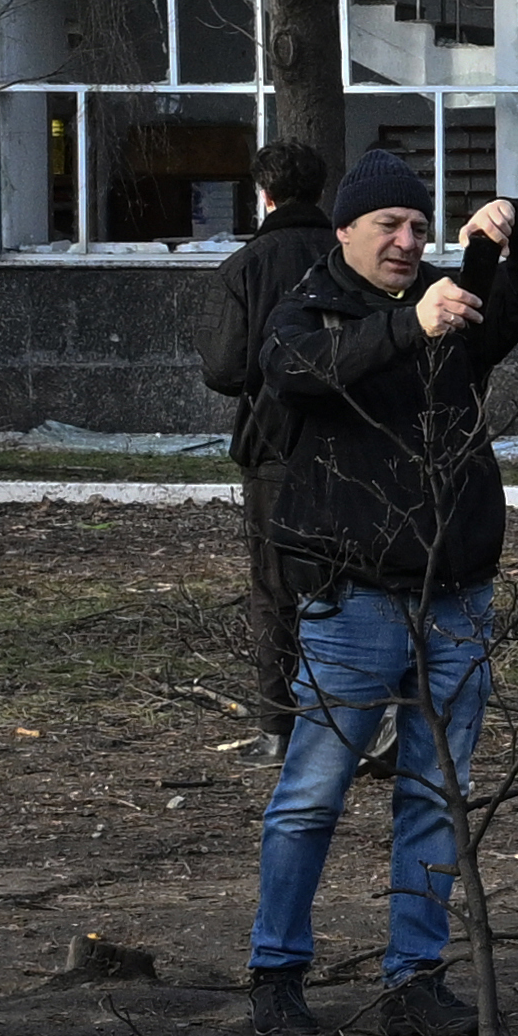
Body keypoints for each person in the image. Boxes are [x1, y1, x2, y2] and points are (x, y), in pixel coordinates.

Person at [243, 158, 518, 1036]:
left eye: (418, 226)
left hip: (456, 597)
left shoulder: (456, 309)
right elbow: (302, 374)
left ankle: (415, 977)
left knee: (437, 794)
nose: (407, 241)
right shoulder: (306, 308)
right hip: (352, 600)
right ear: (345, 230)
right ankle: (276, 972)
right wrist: (407, 327)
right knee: (312, 794)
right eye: (388, 223)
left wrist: (517, 224)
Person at [201, 129, 331, 730]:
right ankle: (358, 722)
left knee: (275, 590)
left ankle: (280, 726)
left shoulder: (244, 266)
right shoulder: (348, 255)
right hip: (351, 439)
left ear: (265, 195)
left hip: (274, 445)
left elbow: (225, 371)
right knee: (353, 586)